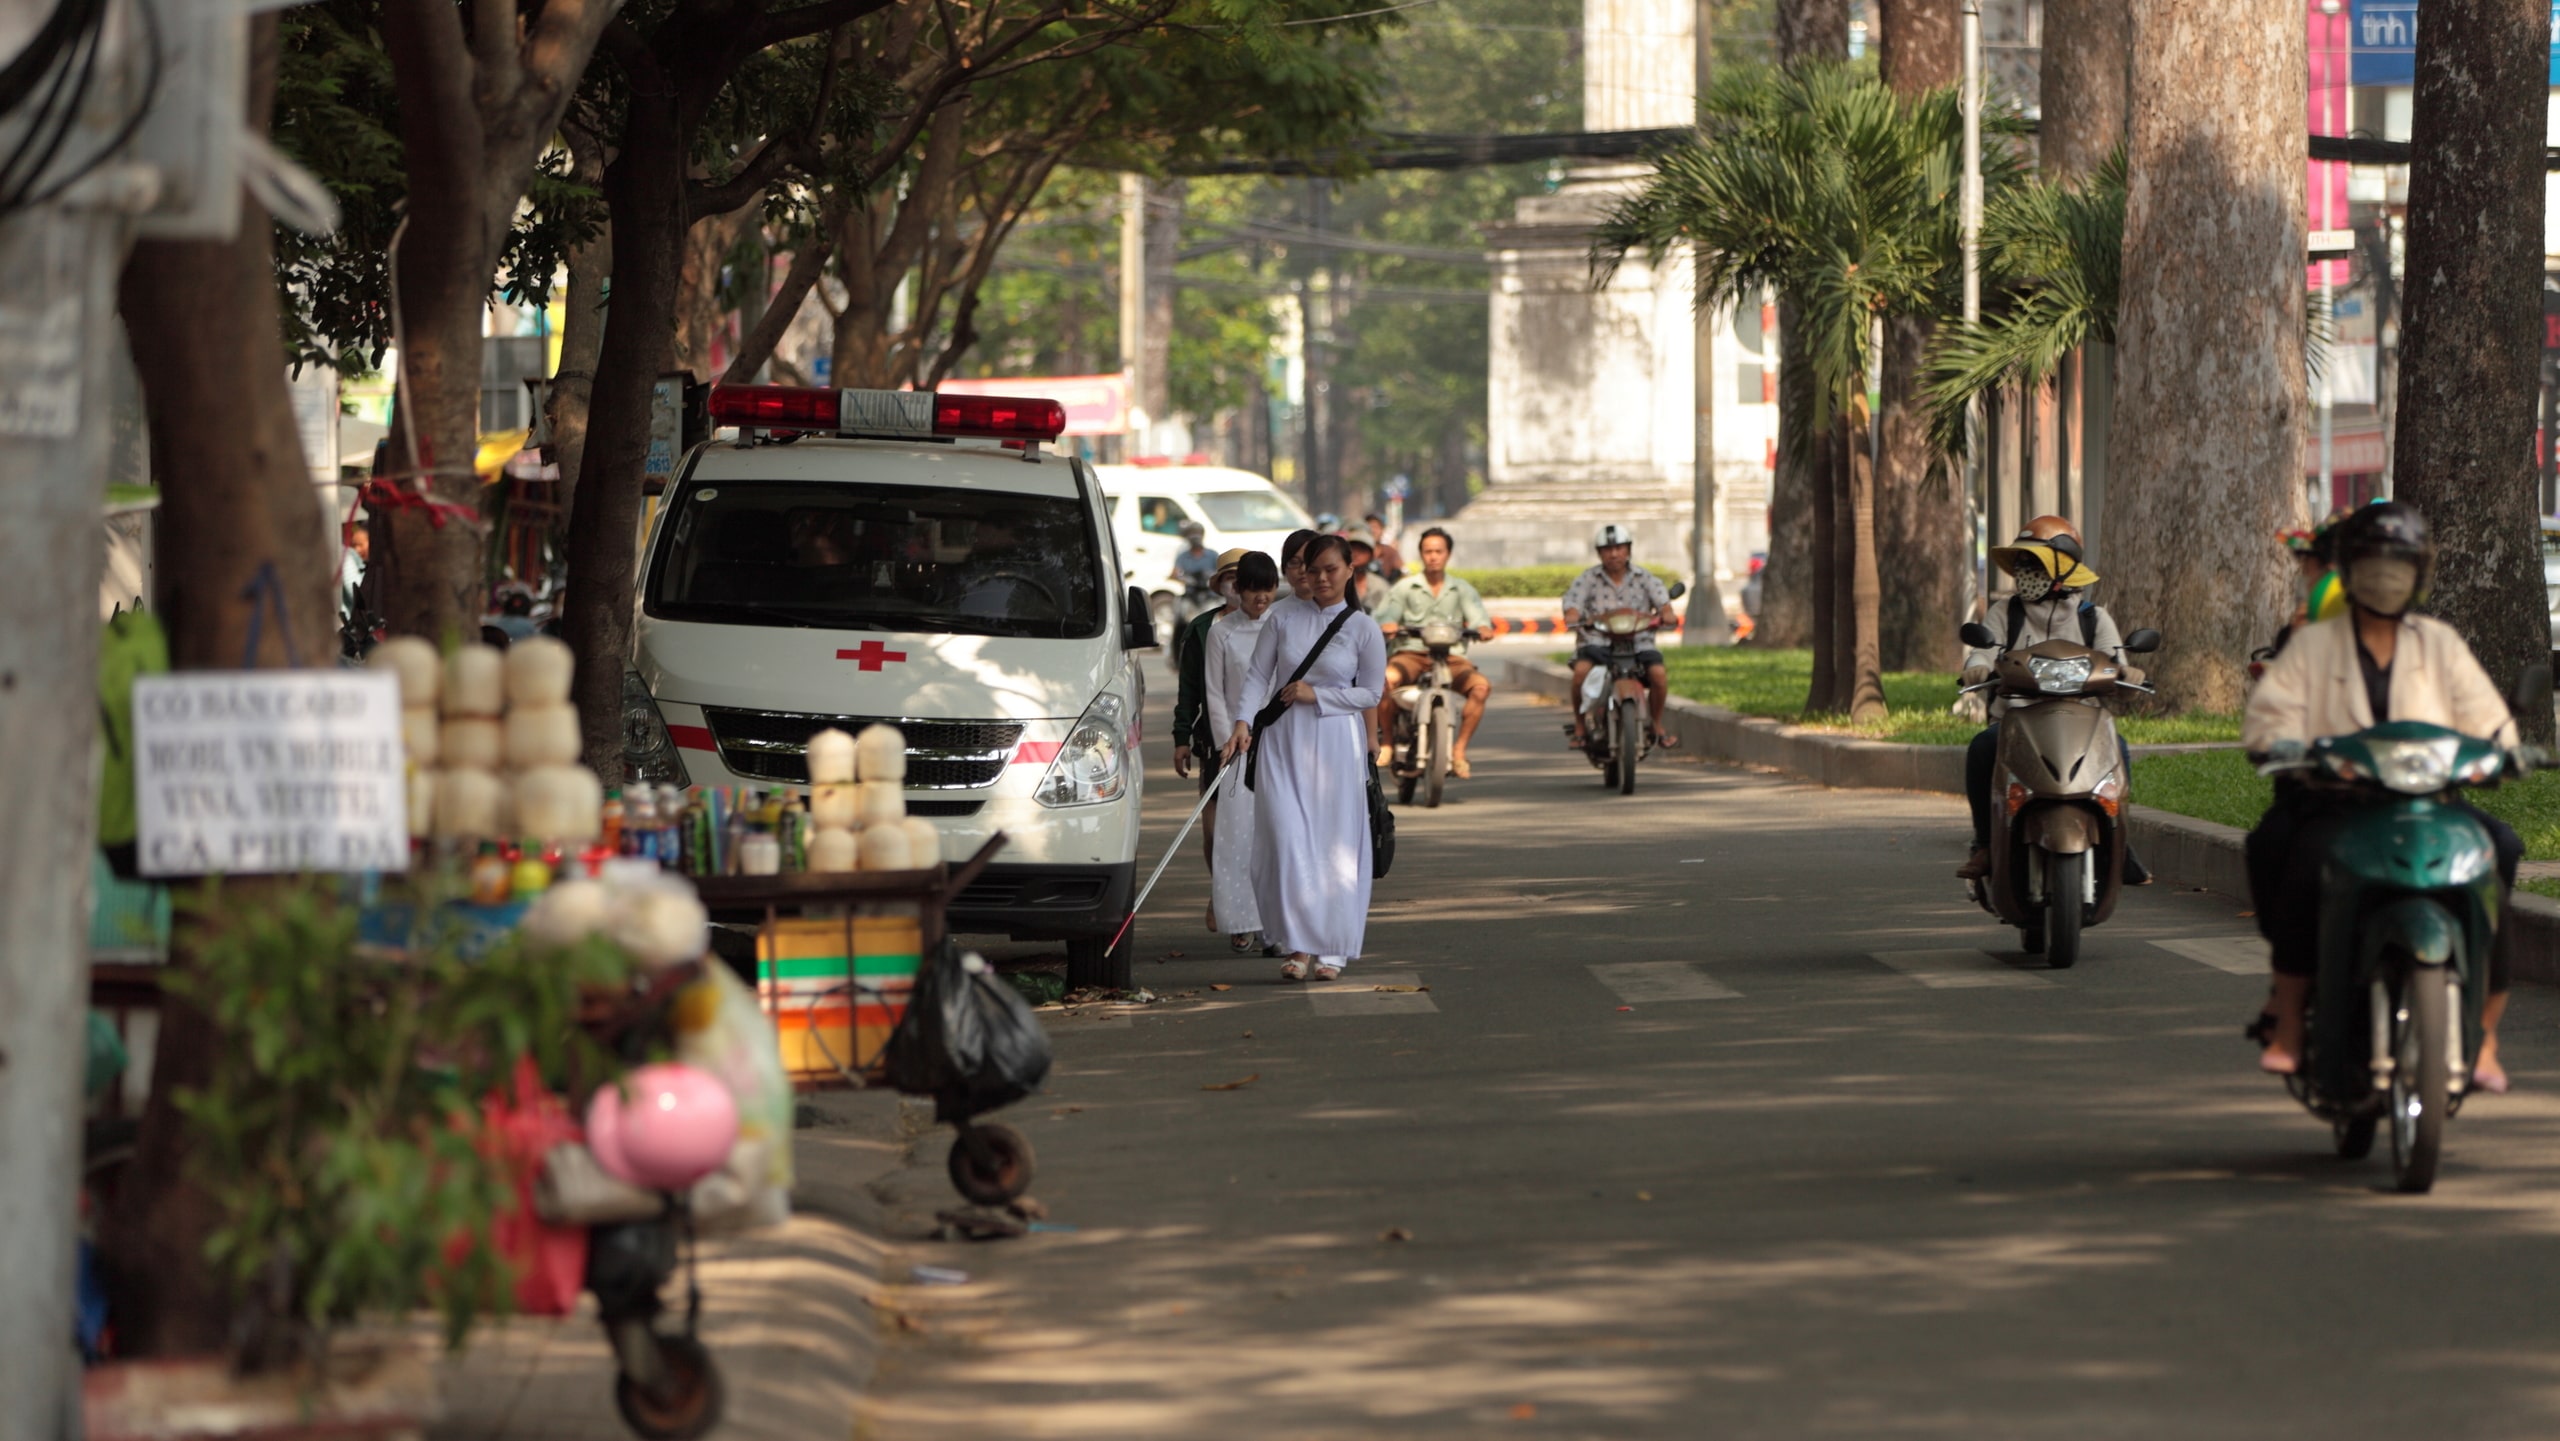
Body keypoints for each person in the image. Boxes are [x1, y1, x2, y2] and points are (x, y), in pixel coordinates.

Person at [2243, 502, 2523, 1088]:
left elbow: (2488, 718)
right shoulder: (2316, 646)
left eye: (2400, 564)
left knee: (2499, 848)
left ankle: (2488, 1035)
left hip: (2428, 805)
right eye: (2374, 563)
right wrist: (2286, 747)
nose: (2386, 576)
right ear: (2350, 569)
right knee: (2288, 852)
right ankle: (2289, 1016)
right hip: (2335, 805)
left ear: (2419, 574)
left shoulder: (2441, 644)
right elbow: (2270, 718)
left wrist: (2499, 751)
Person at [1954, 516, 2148, 885]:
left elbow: (2114, 663)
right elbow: (1984, 651)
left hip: (2082, 723)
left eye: (2034, 562)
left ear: (2062, 568)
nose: (2024, 571)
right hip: (2017, 723)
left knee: (2118, 750)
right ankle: (1984, 843)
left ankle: (2117, 841)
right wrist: (1977, 668)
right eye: (2022, 563)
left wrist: (2127, 673)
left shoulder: (2093, 619)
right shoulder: (2004, 614)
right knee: (1982, 748)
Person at [1233, 533, 1387, 983]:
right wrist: (1242, 722)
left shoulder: (1362, 628)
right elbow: (1258, 676)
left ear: (1349, 571)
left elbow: (1371, 692)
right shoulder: (1282, 618)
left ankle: (1330, 948)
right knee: (1285, 840)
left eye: (1330, 570)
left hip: (1336, 742)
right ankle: (1298, 942)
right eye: (1312, 569)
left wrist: (1315, 694)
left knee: (1333, 846)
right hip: (1283, 742)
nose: (1320, 578)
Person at [1371, 526, 1494, 778]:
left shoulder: (1462, 590)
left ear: (1448, 554)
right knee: (1384, 681)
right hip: (1411, 654)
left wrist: (1483, 628)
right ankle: (1388, 742)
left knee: (1481, 687)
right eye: (1428, 551)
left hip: (1452, 657)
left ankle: (1459, 750)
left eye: (1439, 551)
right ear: (1421, 554)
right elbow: (1385, 616)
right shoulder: (1404, 588)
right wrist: (1389, 624)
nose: (1433, 556)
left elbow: (1480, 619)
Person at [1206, 552, 1282, 952]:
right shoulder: (1222, 633)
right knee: (1238, 834)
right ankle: (1240, 919)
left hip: (1280, 741)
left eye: (1269, 590)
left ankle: (1278, 922)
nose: (1262, 599)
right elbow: (1216, 693)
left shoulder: (1283, 625)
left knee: (1277, 832)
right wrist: (1227, 740)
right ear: (1238, 589)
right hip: (1238, 746)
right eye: (1254, 590)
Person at [1171, 549, 1251, 921]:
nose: (1237, 585)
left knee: (1258, 829)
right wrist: (1182, 737)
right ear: (1219, 585)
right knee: (1215, 832)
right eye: (1230, 578)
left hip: (1264, 740)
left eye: (1244, 577)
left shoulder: (1275, 624)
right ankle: (1224, 888)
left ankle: (1253, 906)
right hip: (1214, 742)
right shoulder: (1203, 628)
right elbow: (1189, 688)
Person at [1561, 523, 1679, 751]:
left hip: (1639, 643)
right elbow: (1573, 603)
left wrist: (1666, 613)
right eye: (1608, 549)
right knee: (1579, 674)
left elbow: (1663, 602)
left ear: (1628, 550)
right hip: (1598, 643)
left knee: (1658, 674)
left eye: (1619, 548)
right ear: (1599, 553)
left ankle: (1656, 725)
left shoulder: (1644, 578)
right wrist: (1573, 614)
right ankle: (1579, 726)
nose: (1614, 553)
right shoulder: (1588, 579)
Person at [1172, 521, 1221, 595]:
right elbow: (1174, 574)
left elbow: (1222, 573)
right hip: (1191, 595)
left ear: (1202, 535)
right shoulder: (1183, 557)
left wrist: (1211, 577)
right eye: (1192, 533)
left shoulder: (1213, 555)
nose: (1195, 536)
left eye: (1198, 533)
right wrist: (1186, 579)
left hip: (1210, 595)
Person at [1364, 513, 1405, 584]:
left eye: (1376, 527)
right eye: (1370, 528)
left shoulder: (1390, 552)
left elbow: (1402, 572)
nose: (1373, 531)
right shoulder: (1358, 552)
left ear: (1382, 530)